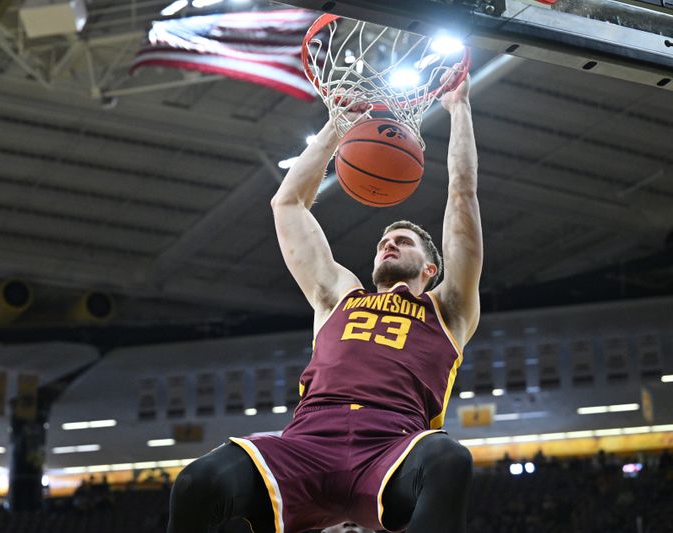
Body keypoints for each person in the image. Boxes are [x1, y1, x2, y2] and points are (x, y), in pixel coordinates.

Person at [168, 74, 480, 533]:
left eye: (402, 241)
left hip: (392, 443)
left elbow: (462, 194)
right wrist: (338, 125)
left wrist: (459, 109)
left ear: (430, 269)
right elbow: (288, 205)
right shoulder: (338, 295)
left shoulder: (448, 309)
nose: (387, 245)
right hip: (308, 440)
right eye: (383, 240)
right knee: (197, 483)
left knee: (449, 458)